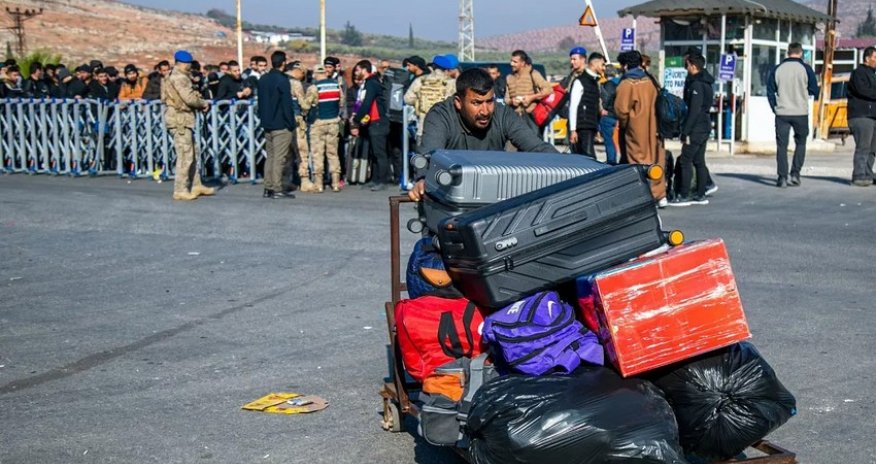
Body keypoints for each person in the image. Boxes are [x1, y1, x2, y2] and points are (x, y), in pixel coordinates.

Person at [407, 68, 559, 201]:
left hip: (492, 197)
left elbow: (537, 147)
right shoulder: (441, 116)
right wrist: (422, 179)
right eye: (477, 103)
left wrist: (568, 166)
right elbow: (429, 154)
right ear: (458, 102)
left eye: (489, 101)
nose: (485, 111)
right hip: (450, 196)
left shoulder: (503, 114)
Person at [161, 50, 215, 201]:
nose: (190, 66)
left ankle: (195, 184)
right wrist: (203, 103)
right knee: (185, 155)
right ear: (183, 63)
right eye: (189, 63)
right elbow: (189, 98)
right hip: (180, 119)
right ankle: (180, 189)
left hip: (181, 118)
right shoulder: (180, 77)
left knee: (193, 152)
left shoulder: (173, 76)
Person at [614, 50, 667, 202]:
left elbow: (621, 110)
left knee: (638, 163)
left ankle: (642, 196)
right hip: (656, 128)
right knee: (656, 161)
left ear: (624, 65)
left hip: (636, 130)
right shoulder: (651, 81)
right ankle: (659, 194)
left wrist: (625, 125)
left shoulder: (627, 83)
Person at [767, 43, 819, 188]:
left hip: (782, 113)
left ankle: (782, 177)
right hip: (800, 112)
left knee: (782, 146)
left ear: (788, 52)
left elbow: (770, 91)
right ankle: (795, 174)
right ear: (800, 53)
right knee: (801, 143)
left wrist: (775, 107)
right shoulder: (806, 69)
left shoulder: (777, 69)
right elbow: (814, 90)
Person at [669, 54, 714, 207]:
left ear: (693, 66)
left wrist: (685, 131)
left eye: (686, 65)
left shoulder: (696, 85)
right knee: (699, 160)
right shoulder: (707, 82)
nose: (685, 68)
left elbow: (694, 110)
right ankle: (700, 194)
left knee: (686, 160)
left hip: (696, 128)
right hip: (705, 126)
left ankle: (684, 194)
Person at [257, 50, 297, 199]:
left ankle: (268, 187)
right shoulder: (282, 80)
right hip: (281, 124)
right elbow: (287, 104)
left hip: (267, 123)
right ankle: (277, 188)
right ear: (283, 63)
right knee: (280, 158)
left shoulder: (263, 79)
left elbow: (260, 102)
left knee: (271, 157)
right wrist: (291, 123)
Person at [351, 59, 391, 191]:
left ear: (364, 70)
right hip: (372, 122)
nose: (356, 73)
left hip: (378, 122)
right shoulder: (369, 83)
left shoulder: (371, 84)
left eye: (357, 70)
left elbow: (366, 104)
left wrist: (356, 120)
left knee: (380, 153)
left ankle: (382, 180)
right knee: (373, 152)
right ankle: (374, 179)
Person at [308, 65, 346, 192]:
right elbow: (341, 102)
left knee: (318, 153)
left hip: (318, 123)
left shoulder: (314, 87)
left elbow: (307, 105)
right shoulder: (336, 85)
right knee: (333, 153)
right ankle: (335, 182)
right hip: (333, 122)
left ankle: (318, 184)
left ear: (316, 74)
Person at [404, 54, 455, 144]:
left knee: (422, 156)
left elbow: (407, 99)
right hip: (445, 129)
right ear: (447, 69)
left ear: (433, 66)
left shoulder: (420, 80)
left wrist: (419, 102)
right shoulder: (451, 83)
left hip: (423, 128)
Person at [286, 62, 318, 192]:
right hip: (296, 121)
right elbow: (303, 105)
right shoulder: (295, 83)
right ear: (298, 70)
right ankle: (304, 180)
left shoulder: (278, 81)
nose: (303, 77)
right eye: (303, 73)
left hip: (281, 121)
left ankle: (284, 180)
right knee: (301, 151)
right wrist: (312, 97)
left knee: (285, 153)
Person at [847, 46, 876, 187]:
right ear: (867, 58)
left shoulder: (873, 73)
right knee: (863, 147)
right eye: (875, 58)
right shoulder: (858, 73)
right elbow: (863, 91)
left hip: (873, 116)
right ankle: (858, 175)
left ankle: (868, 173)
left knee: (873, 148)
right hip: (861, 115)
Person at [505, 50, 552, 134]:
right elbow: (506, 98)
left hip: (531, 118)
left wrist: (531, 97)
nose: (511, 64)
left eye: (515, 62)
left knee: (533, 144)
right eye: (511, 61)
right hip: (514, 118)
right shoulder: (509, 78)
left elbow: (548, 90)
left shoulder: (533, 74)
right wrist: (512, 101)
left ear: (522, 63)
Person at [568, 52, 606, 158]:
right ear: (595, 64)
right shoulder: (580, 81)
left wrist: (596, 128)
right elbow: (573, 107)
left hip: (590, 125)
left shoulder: (594, 82)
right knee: (588, 157)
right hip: (582, 127)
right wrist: (573, 130)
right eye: (602, 65)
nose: (604, 68)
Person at [599, 65, 621, 165]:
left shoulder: (606, 85)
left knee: (609, 141)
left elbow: (605, 100)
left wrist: (604, 108)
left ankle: (611, 161)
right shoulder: (621, 83)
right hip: (619, 116)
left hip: (608, 116)